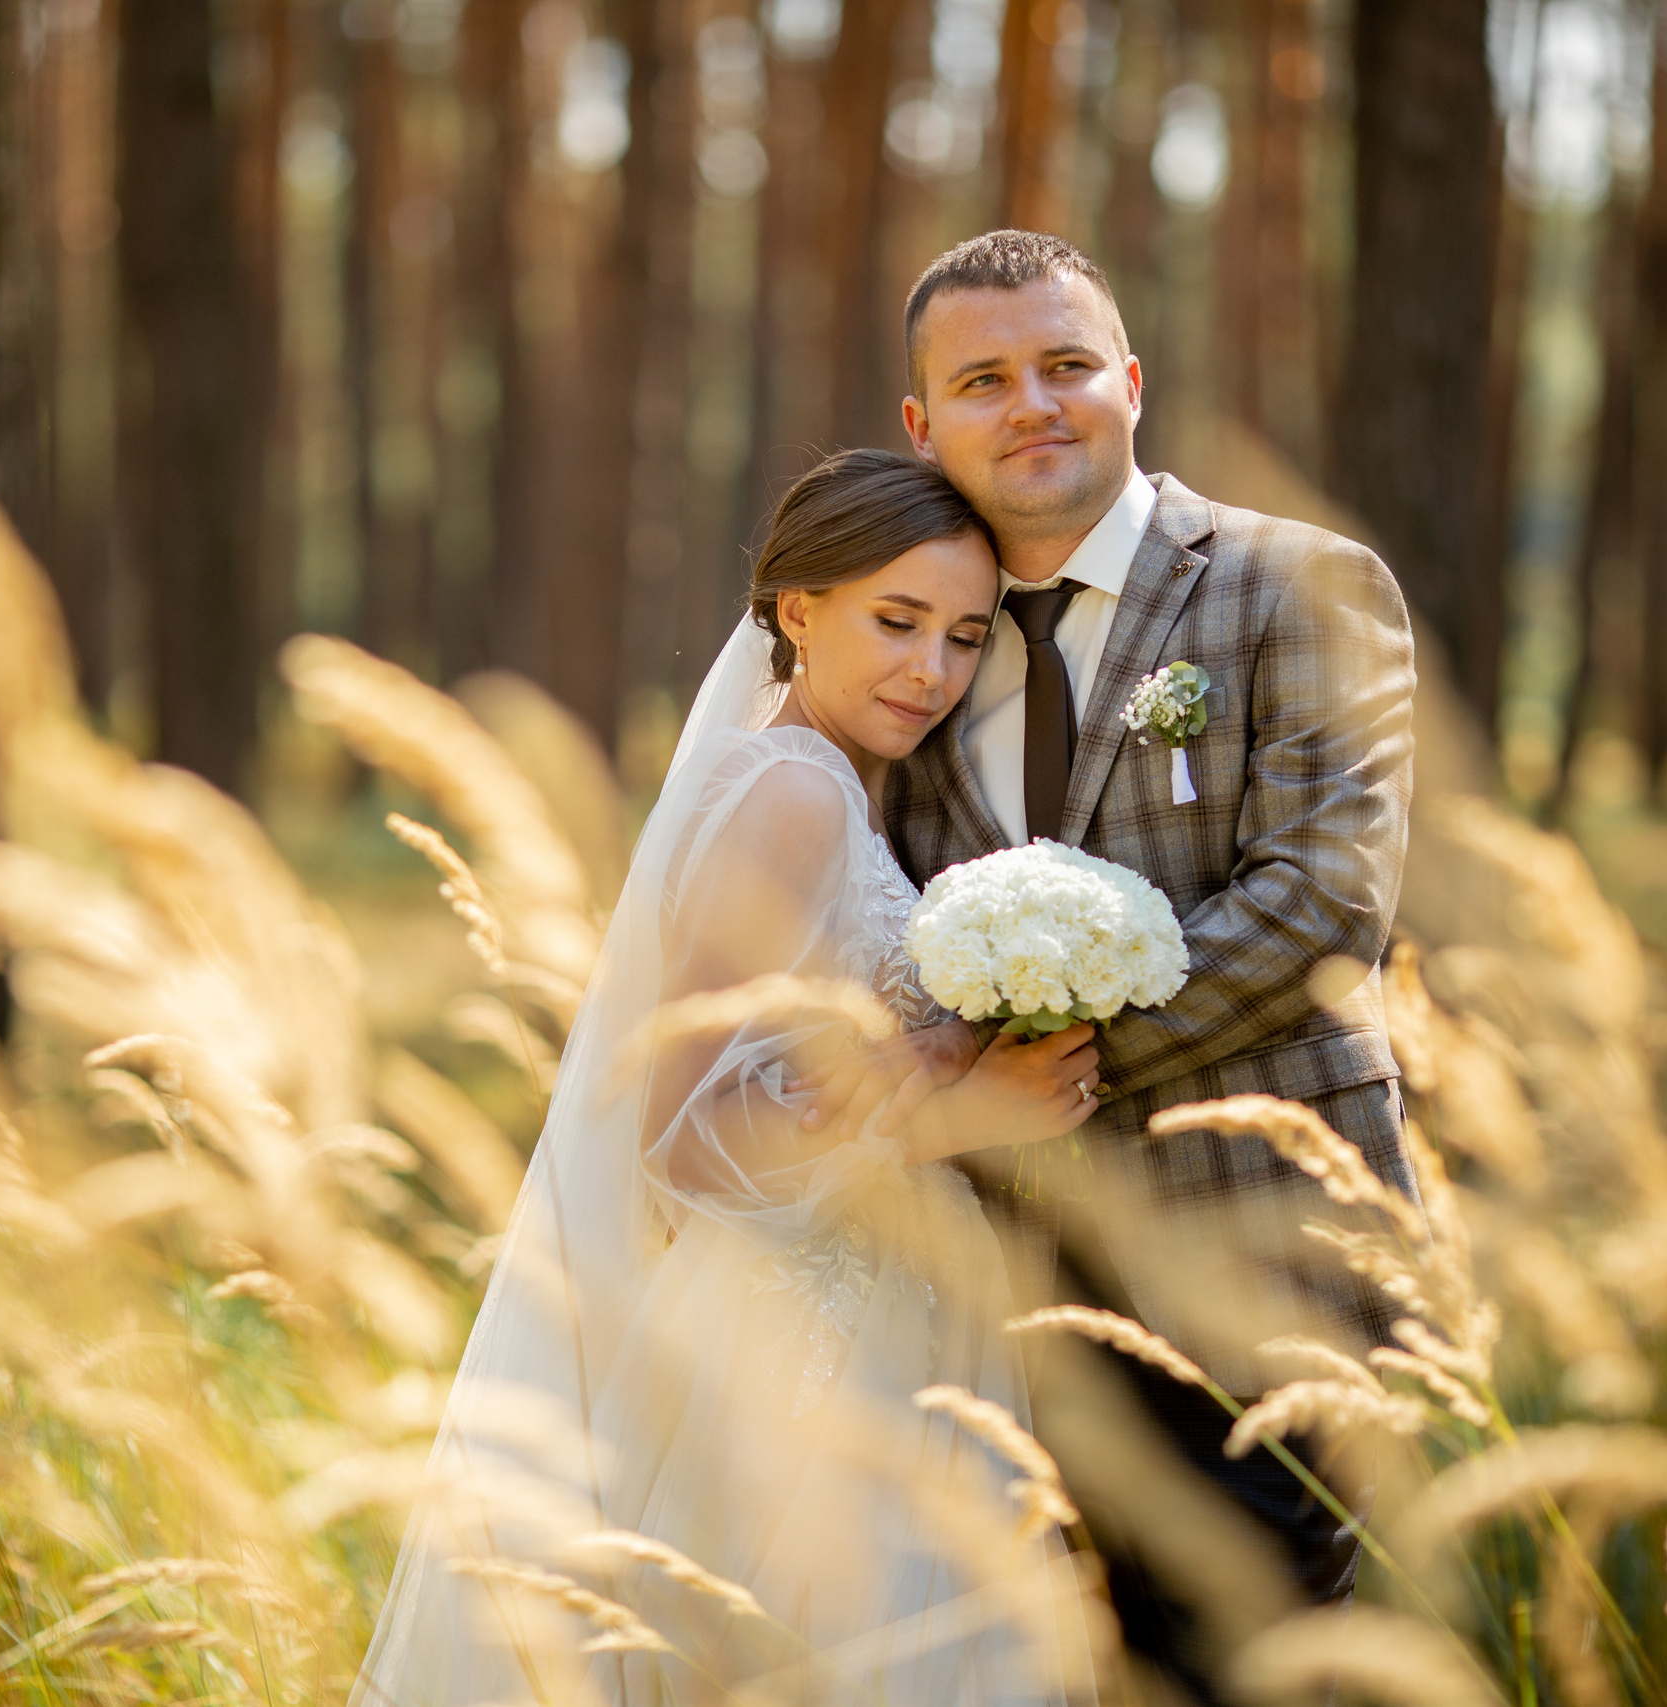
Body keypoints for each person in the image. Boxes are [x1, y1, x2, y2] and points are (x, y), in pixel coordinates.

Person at [354, 450, 1104, 1705]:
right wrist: (950, 1121)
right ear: (797, 611)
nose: (930, 671)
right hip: (799, 1337)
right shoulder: (790, 792)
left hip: (868, 1303)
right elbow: (681, 1136)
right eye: (897, 622)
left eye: (967, 637)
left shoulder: (825, 782)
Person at [802, 229, 1420, 1707]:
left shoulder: (1296, 584)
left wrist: (1037, 1070)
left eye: (1067, 365)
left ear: (1130, 381)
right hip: (1004, 1288)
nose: (1034, 404)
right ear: (923, 423)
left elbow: (1325, 902)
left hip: (1268, 1259)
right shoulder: (919, 642)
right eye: (985, 378)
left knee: (1245, 1666)